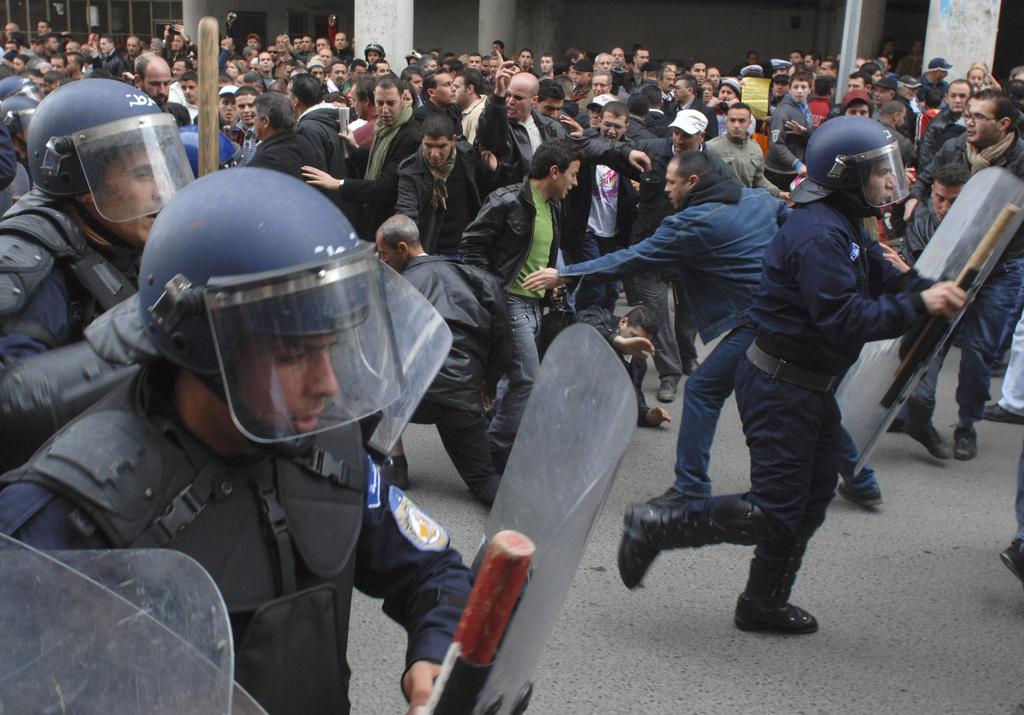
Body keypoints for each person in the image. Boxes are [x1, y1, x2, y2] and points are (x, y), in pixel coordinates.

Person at [0, 168, 473, 715]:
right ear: (205, 349)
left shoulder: (322, 447)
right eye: (295, 355)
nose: (330, 384)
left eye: (333, 346)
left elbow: (435, 571)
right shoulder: (67, 515)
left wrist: (434, 656)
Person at [615, 116, 965, 633]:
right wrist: (920, 305)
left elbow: (879, 270)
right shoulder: (819, 234)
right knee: (773, 509)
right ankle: (659, 525)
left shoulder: (843, 220)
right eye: (877, 173)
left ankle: (762, 603)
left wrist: (924, 287)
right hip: (784, 385)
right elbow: (845, 317)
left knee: (812, 496)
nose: (889, 183)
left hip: (808, 383)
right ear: (846, 176)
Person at [523, 150, 787, 505]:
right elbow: (797, 226)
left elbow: (631, 258)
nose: (665, 189)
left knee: (704, 392)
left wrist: (566, 273)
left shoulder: (692, 222)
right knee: (802, 393)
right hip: (785, 311)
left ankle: (691, 486)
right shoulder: (758, 199)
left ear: (693, 182)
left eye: (671, 182)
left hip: (757, 321)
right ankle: (858, 475)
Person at [0, 78, 188, 370]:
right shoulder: (30, 266)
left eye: (162, 170)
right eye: (143, 174)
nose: (160, 190)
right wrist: (145, 337)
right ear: (85, 184)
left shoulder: (125, 235)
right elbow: (13, 396)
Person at [906, 89, 1024, 460]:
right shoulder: (955, 146)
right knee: (930, 337)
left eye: (978, 116)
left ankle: (967, 424)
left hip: (1002, 266)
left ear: (1003, 124)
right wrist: (915, 202)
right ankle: (913, 407)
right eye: (968, 114)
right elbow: (925, 182)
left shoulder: (1022, 159)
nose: (968, 121)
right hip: (953, 260)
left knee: (979, 352)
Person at [459, 139, 581, 471]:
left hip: (534, 306)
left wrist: (553, 285)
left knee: (511, 379)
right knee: (527, 379)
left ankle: (489, 434)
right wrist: (491, 292)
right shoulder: (506, 201)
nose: (575, 182)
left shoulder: (553, 204)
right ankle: (494, 449)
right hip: (509, 304)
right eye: (572, 175)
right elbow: (471, 246)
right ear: (554, 172)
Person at [375, 214, 508, 504]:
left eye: (384, 255)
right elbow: (502, 334)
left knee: (376, 386)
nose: (382, 262)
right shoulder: (475, 277)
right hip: (462, 396)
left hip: (416, 396)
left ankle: (394, 463)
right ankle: (525, 519)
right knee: (483, 480)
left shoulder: (396, 288)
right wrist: (488, 382)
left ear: (402, 249)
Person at [302, 76, 421, 237]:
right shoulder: (383, 128)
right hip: (376, 218)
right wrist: (355, 149)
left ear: (403, 99)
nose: (385, 109)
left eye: (391, 103)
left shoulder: (410, 135)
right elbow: (378, 162)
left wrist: (338, 184)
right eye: (380, 103)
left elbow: (385, 187)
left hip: (394, 223)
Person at [395, 114, 491, 256]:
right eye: (428, 145)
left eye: (441, 146)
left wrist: (494, 169)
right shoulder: (411, 170)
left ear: (452, 140)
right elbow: (406, 212)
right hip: (431, 251)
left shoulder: (469, 158)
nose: (434, 154)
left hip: (468, 248)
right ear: (422, 140)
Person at [574, 304, 671, 428]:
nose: (635, 344)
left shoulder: (638, 363)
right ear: (623, 322)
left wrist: (649, 415)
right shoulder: (603, 317)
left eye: (642, 342)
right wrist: (618, 340)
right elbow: (583, 321)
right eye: (633, 336)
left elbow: (631, 398)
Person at [705, 102, 782, 197]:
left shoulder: (755, 148)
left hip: (746, 203)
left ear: (749, 123)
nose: (736, 125)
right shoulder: (710, 148)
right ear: (726, 121)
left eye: (741, 121)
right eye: (732, 120)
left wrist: (778, 193)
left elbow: (759, 180)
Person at [246, 92, 326, 181]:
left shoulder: (266, 160)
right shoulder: (305, 142)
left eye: (254, 116)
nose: (253, 121)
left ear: (265, 122)